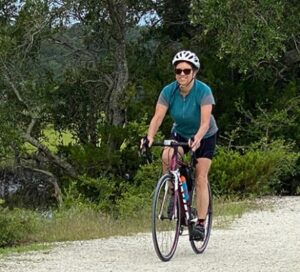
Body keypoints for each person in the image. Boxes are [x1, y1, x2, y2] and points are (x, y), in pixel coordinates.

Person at [141, 50, 218, 241]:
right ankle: (174, 191)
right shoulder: (169, 91)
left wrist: (198, 138)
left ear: (194, 72)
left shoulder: (203, 91)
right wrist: (149, 137)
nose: (182, 74)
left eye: (186, 70)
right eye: (178, 71)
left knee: (200, 176)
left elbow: (205, 123)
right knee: (167, 156)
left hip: (205, 135)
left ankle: (200, 223)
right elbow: (158, 117)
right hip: (181, 132)